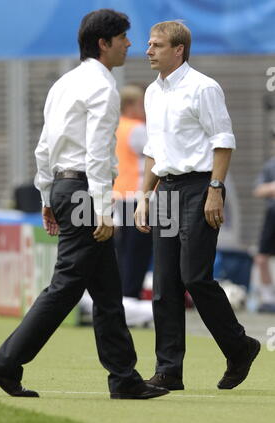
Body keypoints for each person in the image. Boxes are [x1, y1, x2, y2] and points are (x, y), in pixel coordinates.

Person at [0, 9, 168, 400]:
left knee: (106, 288)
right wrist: (102, 208)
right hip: (86, 192)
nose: (130, 44)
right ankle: (5, 363)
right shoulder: (102, 88)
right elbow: (98, 155)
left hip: (66, 188)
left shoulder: (64, 83)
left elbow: (45, 145)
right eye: (123, 37)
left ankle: (123, 378)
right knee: (66, 286)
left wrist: (47, 195)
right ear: (104, 43)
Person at [135, 21, 260, 390]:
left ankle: (239, 347)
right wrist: (144, 196)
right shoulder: (151, 93)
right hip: (167, 190)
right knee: (164, 285)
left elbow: (223, 140)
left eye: (156, 45)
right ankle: (169, 371)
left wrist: (215, 189)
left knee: (194, 276)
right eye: (148, 44)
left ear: (179, 50)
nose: (148, 50)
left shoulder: (204, 87)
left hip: (199, 186)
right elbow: (152, 151)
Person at [113, 85, 153, 325]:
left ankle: (123, 300)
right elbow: (156, 153)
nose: (144, 110)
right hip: (137, 198)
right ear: (130, 106)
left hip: (120, 196)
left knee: (125, 253)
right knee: (138, 254)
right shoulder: (138, 129)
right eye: (140, 105)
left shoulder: (116, 126)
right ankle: (131, 301)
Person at [253, 131, 275, 312]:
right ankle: (268, 299)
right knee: (261, 258)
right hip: (272, 215)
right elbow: (258, 190)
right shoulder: (270, 166)